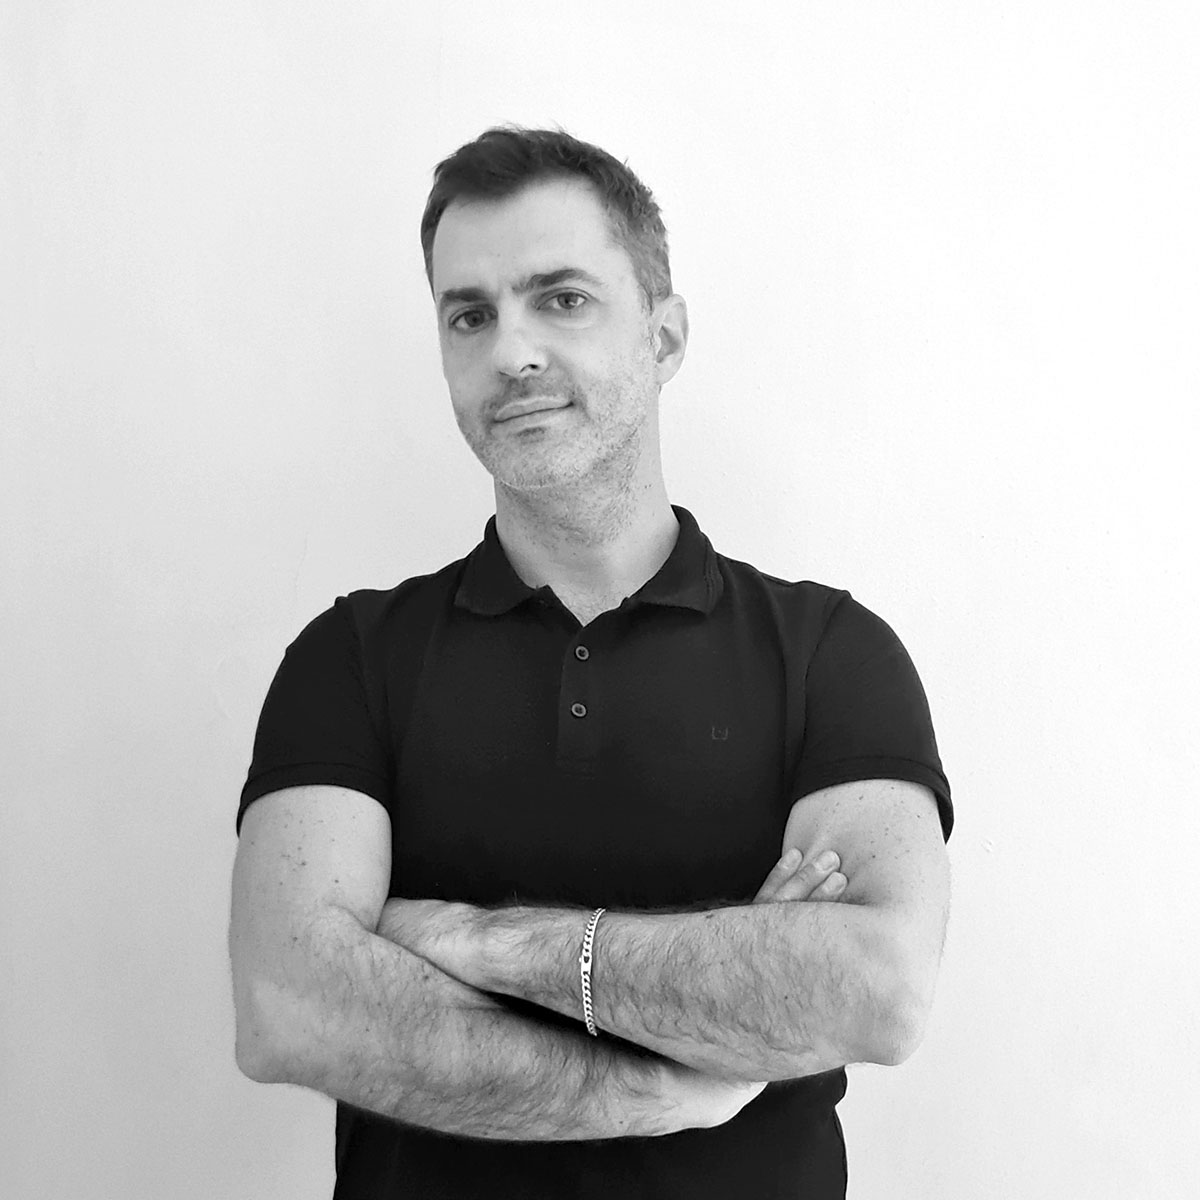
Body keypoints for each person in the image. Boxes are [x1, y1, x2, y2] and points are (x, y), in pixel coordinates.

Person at [228, 125, 953, 1200]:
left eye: (561, 299)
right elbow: (289, 1008)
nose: (510, 352)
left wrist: (474, 943)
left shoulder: (831, 653)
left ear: (665, 337)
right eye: (469, 315)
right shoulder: (351, 659)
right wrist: (665, 1075)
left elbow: (876, 992)